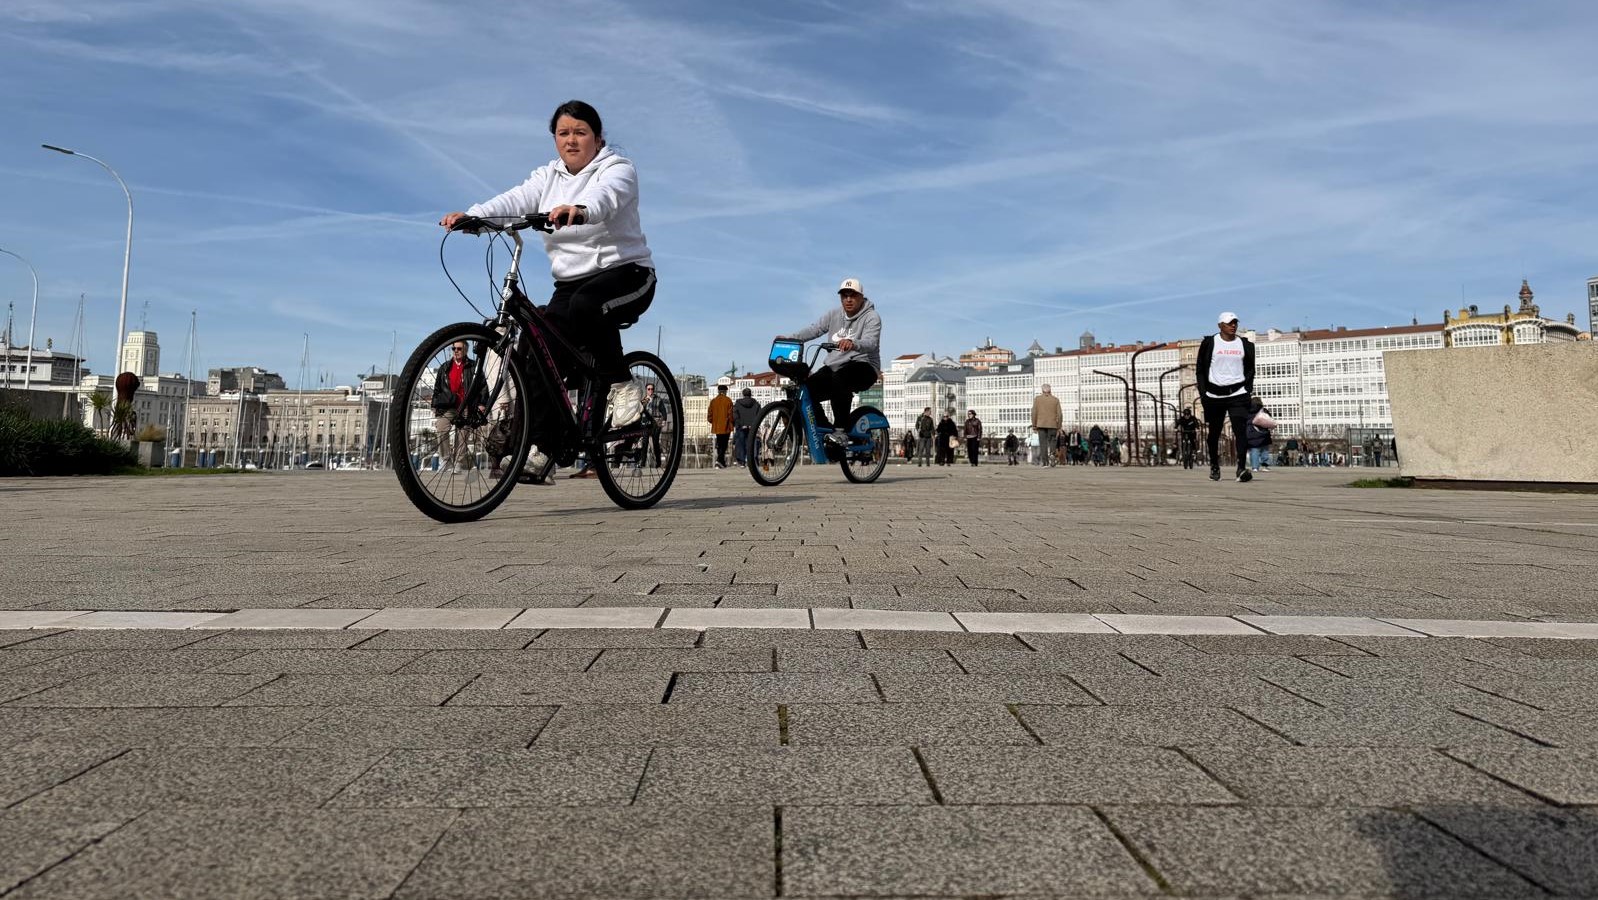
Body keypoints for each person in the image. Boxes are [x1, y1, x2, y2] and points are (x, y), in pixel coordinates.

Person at [440, 100, 656, 455]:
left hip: (626, 274)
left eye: (580, 132)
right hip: (569, 285)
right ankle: (546, 449)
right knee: (538, 355)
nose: (571, 140)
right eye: (563, 133)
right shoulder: (547, 177)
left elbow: (607, 196)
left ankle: (623, 386)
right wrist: (474, 216)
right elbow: (515, 199)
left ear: (597, 138)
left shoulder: (617, 168)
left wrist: (581, 210)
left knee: (587, 306)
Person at [778, 278, 882, 445]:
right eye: (844, 296)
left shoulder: (871, 317)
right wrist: (790, 339)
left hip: (864, 365)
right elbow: (815, 329)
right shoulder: (834, 314)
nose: (848, 299)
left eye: (853, 295)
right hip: (835, 366)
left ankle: (840, 431)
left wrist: (853, 343)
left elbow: (871, 342)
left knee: (840, 378)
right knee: (805, 391)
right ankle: (825, 431)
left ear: (861, 297)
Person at [1195, 310, 1256, 483]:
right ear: (1220, 325)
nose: (1233, 326)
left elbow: (1250, 368)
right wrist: (1203, 392)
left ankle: (1241, 468)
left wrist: (1247, 388)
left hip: (1238, 393)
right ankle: (1215, 465)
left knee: (1240, 431)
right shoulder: (1210, 343)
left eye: (1235, 323)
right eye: (1229, 323)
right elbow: (1200, 368)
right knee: (1214, 433)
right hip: (1214, 394)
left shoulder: (1244, 344)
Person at [431, 340, 483, 473]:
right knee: (441, 427)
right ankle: (446, 460)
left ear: (465, 350)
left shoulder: (473, 366)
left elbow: (482, 385)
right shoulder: (445, 367)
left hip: (466, 405)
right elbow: (437, 388)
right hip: (449, 405)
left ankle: (458, 462)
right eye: (453, 348)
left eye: (459, 348)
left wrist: (482, 403)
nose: (456, 351)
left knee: (463, 434)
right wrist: (434, 405)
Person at [1031, 384, 1063, 469]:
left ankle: (1045, 462)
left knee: (1043, 443)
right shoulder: (1055, 400)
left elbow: (1034, 413)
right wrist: (1059, 426)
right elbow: (1060, 414)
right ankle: (1052, 454)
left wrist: (1034, 425)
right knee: (1052, 440)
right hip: (1052, 424)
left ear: (1042, 390)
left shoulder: (1037, 399)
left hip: (1041, 424)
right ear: (1050, 390)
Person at [708, 382, 734, 468]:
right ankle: (719, 461)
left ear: (718, 391)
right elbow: (731, 414)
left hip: (717, 426)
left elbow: (709, 415)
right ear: (725, 391)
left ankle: (721, 462)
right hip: (726, 426)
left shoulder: (713, 401)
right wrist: (732, 423)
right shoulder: (728, 400)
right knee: (724, 444)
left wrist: (713, 422)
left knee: (719, 443)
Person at [732, 387, 760, 466]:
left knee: (741, 444)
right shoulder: (756, 404)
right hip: (752, 427)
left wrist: (739, 424)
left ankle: (742, 461)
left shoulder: (738, 404)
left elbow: (735, 415)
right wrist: (754, 424)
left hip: (741, 427)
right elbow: (759, 415)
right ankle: (751, 460)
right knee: (751, 444)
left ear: (743, 394)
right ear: (751, 394)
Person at [1246, 397, 1274, 472]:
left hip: (1251, 433)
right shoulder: (1263, 410)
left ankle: (1255, 467)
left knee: (1254, 450)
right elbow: (1269, 419)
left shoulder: (1247, 410)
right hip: (1263, 432)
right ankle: (1265, 466)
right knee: (1264, 449)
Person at [642, 382, 667, 467]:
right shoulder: (644, 400)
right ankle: (643, 462)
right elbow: (640, 411)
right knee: (644, 442)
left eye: (652, 389)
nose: (650, 391)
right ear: (646, 390)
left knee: (655, 442)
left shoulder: (658, 399)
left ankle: (658, 462)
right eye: (648, 389)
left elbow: (663, 410)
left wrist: (664, 420)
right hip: (645, 423)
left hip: (656, 422)